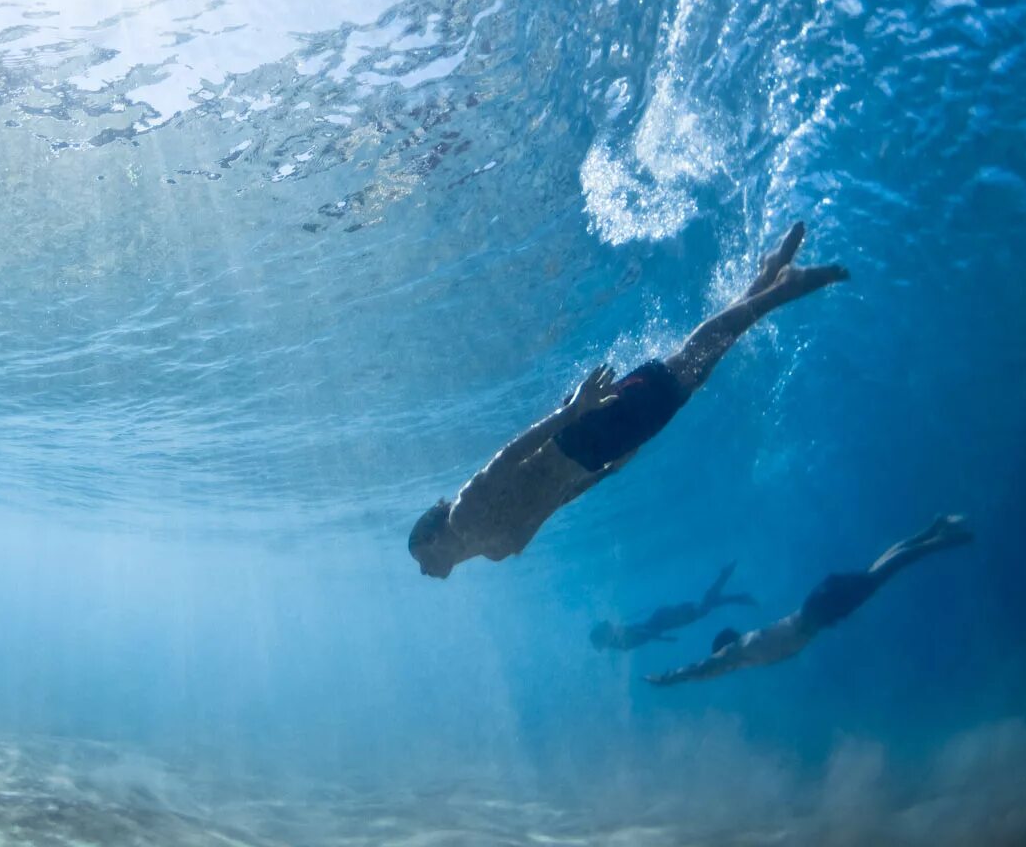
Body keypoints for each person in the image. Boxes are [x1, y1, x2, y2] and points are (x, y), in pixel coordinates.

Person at [407, 223, 846, 580]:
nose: (425, 572)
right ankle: (767, 277)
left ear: (431, 538)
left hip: (580, 431)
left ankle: (780, 292)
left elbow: (509, 455)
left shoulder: (463, 515)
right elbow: (557, 498)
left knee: (682, 369)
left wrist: (573, 410)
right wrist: (605, 473)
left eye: (420, 561)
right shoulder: (495, 552)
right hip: (594, 455)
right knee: (688, 381)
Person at [645, 515, 973, 685]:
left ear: (724, 649)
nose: (723, 666)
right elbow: (709, 670)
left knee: (882, 573)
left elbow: (702, 668)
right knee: (875, 571)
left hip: (820, 610)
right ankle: (934, 528)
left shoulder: (738, 651)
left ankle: (942, 539)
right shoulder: (748, 652)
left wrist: (668, 678)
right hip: (816, 604)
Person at [590, 563, 756, 651]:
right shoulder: (618, 641)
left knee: (704, 609)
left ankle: (727, 580)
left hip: (666, 620)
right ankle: (735, 592)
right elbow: (640, 631)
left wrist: (662, 639)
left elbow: (642, 632)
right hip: (663, 619)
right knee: (705, 608)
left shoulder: (621, 639)